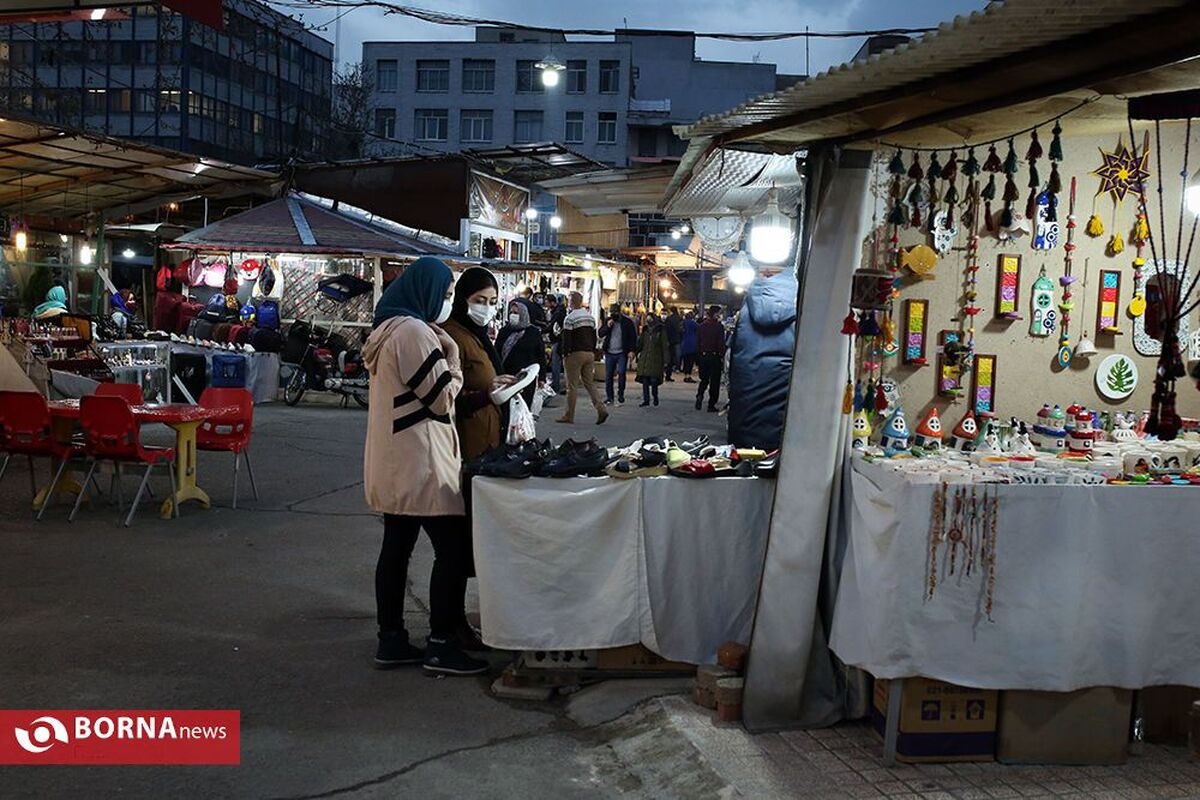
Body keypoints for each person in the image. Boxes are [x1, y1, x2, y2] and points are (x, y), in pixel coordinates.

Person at [363, 257, 487, 677]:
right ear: (426, 291)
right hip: (422, 463)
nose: (448, 301)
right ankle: (441, 643)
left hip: (397, 461)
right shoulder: (414, 333)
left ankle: (391, 639)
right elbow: (439, 398)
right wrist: (451, 357)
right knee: (452, 551)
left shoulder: (386, 331)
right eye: (447, 294)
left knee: (396, 550)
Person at [441, 266, 513, 462]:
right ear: (463, 298)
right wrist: (485, 395)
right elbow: (445, 397)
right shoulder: (452, 336)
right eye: (479, 301)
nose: (487, 308)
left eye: (492, 302)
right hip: (466, 442)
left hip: (487, 437)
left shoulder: (477, 335)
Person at [555, 291, 609, 425]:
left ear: (572, 302)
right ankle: (601, 408)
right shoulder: (590, 318)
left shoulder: (570, 318)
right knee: (589, 383)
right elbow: (593, 336)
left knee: (572, 386)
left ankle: (569, 415)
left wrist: (564, 353)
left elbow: (566, 339)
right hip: (589, 354)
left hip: (575, 354)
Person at [495, 299, 545, 406]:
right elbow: (496, 353)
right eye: (511, 313)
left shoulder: (533, 332)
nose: (513, 315)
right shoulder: (504, 331)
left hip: (525, 378)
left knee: (523, 408)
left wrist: (542, 378)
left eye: (516, 313)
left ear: (523, 314)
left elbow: (540, 355)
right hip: (506, 376)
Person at [599, 303, 637, 405]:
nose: (614, 315)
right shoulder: (608, 321)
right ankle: (609, 397)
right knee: (608, 376)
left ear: (620, 312)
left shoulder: (627, 322)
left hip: (622, 352)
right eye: (612, 313)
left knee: (621, 373)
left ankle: (620, 393)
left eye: (615, 313)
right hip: (609, 352)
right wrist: (607, 326)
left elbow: (633, 337)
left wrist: (632, 350)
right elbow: (600, 333)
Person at [695, 304, 726, 413]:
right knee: (714, 381)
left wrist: (698, 355)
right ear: (715, 314)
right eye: (719, 313)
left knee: (704, 379)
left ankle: (700, 394)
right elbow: (720, 343)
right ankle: (711, 404)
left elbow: (698, 342)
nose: (720, 315)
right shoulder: (719, 327)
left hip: (703, 355)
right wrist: (722, 356)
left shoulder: (701, 326)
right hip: (714, 356)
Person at [636, 312, 670, 407]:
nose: (648, 320)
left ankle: (655, 396)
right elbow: (640, 343)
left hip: (656, 358)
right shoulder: (645, 330)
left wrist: (666, 360)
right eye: (647, 318)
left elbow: (664, 345)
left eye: (650, 318)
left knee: (654, 380)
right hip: (645, 358)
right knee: (645, 380)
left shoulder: (660, 330)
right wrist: (635, 352)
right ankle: (646, 399)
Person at [547, 294, 566, 394]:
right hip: (558, 340)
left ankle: (556, 386)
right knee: (556, 364)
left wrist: (543, 330)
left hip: (558, 341)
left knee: (556, 364)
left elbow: (552, 326)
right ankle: (556, 385)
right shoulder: (558, 311)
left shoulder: (558, 313)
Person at [679, 310, 700, 382]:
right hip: (692, 344)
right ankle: (688, 376)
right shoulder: (694, 323)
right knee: (690, 361)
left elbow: (680, 331)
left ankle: (685, 375)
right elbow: (699, 330)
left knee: (685, 361)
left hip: (684, 344)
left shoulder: (682, 323)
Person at [664, 307, 682, 382]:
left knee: (669, 358)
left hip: (670, 340)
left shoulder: (669, 319)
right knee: (677, 356)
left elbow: (666, 329)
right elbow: (681, 329)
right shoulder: (679, 318)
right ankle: (677, 368)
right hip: (677, 340)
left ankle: (668, 373)